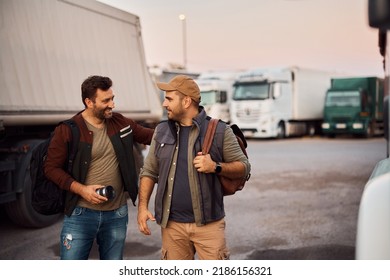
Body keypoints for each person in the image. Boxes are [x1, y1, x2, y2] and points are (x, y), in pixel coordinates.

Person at [137, 75, 251, 260]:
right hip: (172, 227)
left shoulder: (221, 131)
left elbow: (244, 167)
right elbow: (149, 171)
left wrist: (216, 166)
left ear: (187, 101)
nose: (165, 104)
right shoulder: (161, 131)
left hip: (209, 227)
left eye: (169, 99)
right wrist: (142, 208)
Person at [44, 75, 154, 260]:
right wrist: (82, 190)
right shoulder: (69, 129)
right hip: (80, 214)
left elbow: (154, 136)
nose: (112, 104)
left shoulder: (120, 123)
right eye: (106, 100)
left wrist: (184, 125)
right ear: (89, 102)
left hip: (117, 214)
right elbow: (51, 168)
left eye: (112, 98)